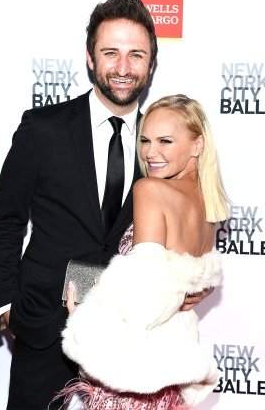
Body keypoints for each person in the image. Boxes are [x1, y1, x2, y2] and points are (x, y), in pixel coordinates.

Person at [0, 0, 212, 410]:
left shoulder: (160, 145)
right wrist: (6, 307)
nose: (123, 68)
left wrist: (189, 282)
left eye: (136, 55)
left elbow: (191, 219)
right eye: (111, 53)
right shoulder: (43, 129)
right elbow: (4, 223)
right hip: (44, 327)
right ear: (90, 58)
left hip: (130, 342)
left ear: (151, 63)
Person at [60, 94, 230, 409]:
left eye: (165, 141)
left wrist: (83, 318)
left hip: (136, 374)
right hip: (172, 373)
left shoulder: (150, 189)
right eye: (145, 140)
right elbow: (177, 285)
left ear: (198, 144)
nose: (151, 153)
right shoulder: (208, 203)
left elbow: (142, 299)